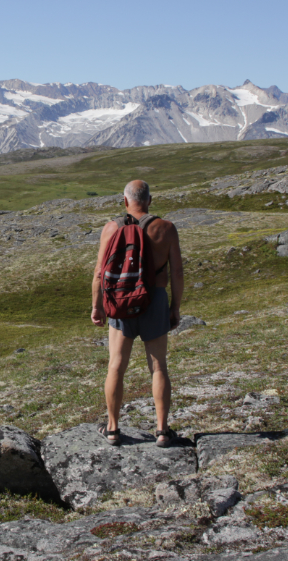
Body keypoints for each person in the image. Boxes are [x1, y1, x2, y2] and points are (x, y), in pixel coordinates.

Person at [91, 180, 183, 447]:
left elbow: (99, 272)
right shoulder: (166, 229)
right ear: (150, 200)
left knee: (116, 366)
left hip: (121, 301)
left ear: (125, 201)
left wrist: (97, 306)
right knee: (158, 367)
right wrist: (174, 307)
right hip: (154, 299)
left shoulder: (111, 228)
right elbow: (176, 272)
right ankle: (163, 430)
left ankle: (112, 429)